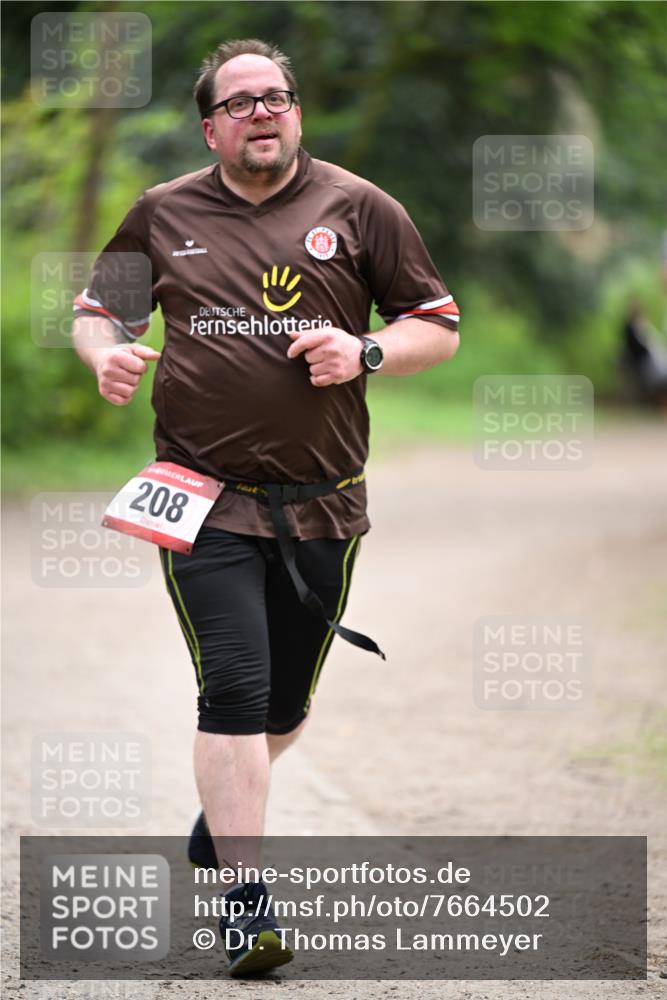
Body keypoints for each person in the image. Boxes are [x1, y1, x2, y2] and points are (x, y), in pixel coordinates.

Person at [72, 38, 460, 976]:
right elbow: (100, 311)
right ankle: (244, 906)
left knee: (286, 705)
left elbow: (436, 328)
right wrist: (104, 355)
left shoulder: (362, 208)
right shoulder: (161, 213)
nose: (261, 112)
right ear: (211, 126)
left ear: (296, 114)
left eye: (275, 97)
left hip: (322, 504)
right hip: (199, 498)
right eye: (239, 102)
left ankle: (216, 829)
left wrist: (364, 351)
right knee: (236, 694)